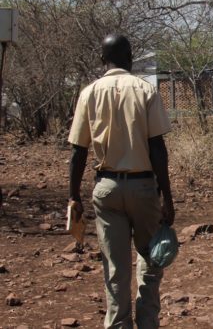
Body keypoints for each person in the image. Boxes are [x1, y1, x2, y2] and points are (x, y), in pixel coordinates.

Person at [68, 34, 175, 329]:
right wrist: (167, 195)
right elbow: (157, 149)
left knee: (115, 270)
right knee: (151, 261)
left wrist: (73, 195)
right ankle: (148, 322)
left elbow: (78, 151)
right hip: (143, 188)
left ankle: (118, 325)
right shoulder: (145, 91)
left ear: (103, 60)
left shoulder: (89, 93)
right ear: (130, 57)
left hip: (107, 189)